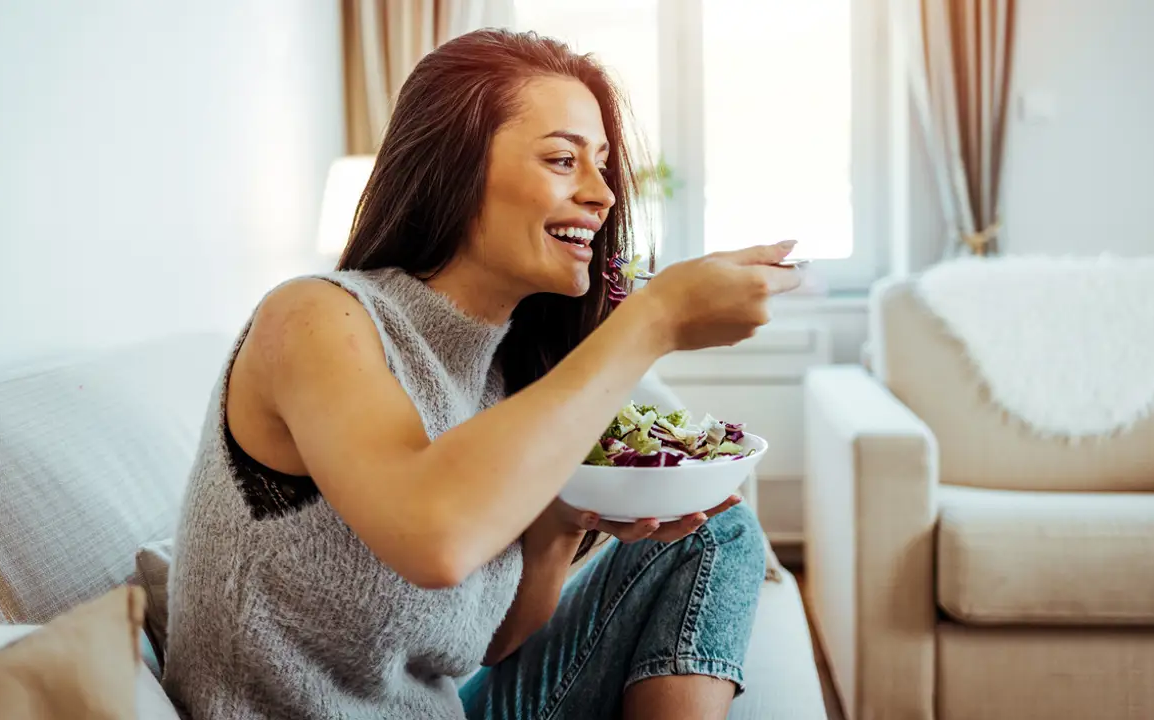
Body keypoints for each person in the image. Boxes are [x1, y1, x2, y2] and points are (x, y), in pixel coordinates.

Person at [162, 28, 802, 720]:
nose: (603, 195)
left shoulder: (501, 375)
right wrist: (653, 321)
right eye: (563, 159)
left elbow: (489, 645)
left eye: (603, 166)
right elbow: (435, 538)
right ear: (455, 170)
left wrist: (560, 519)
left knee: (720, 532)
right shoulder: (315, 318)